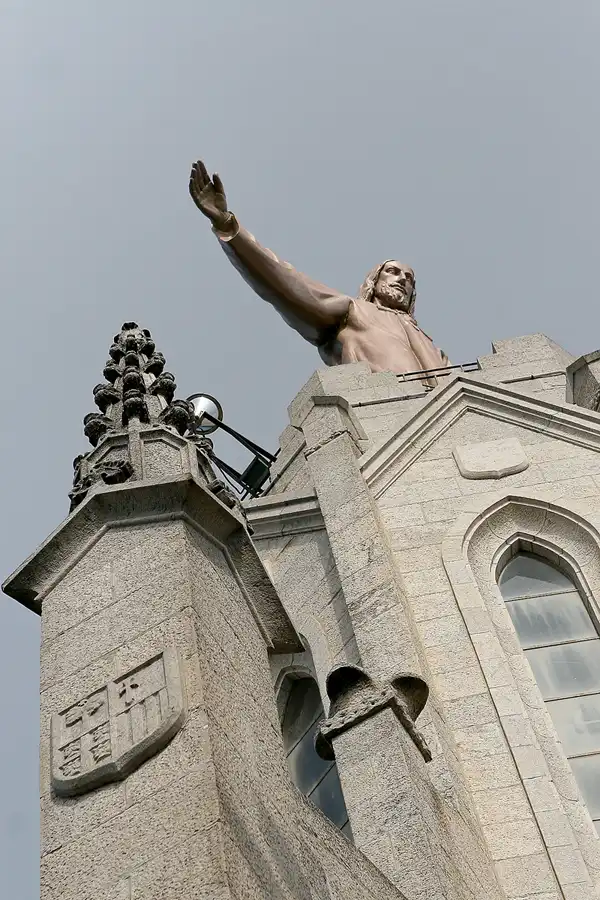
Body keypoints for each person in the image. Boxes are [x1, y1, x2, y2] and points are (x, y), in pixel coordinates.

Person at [189, 160, 449, 376]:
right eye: (392, 271)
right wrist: (229, 228)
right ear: (374, 280)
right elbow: (286, 284)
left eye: (409, 278)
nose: (403, 280)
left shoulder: (433, 348)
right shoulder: (353, 310)